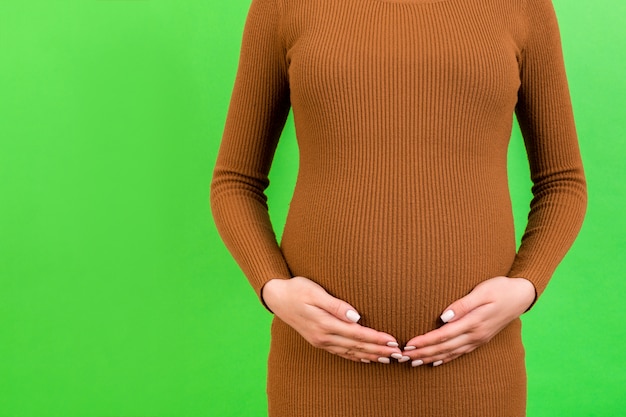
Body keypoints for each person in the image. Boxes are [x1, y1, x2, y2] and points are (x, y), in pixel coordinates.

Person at [210, 0, 587, 415]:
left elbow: (562, 182)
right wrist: (273, 289)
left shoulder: (524, 6)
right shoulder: (281, 5)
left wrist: (525, 287)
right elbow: (235, 182)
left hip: (475, 375)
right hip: (317, 373)